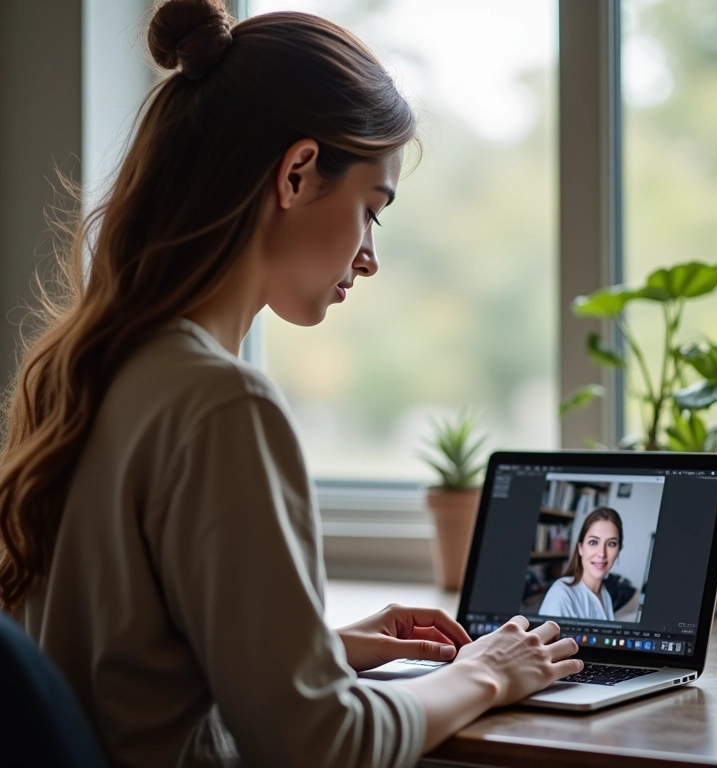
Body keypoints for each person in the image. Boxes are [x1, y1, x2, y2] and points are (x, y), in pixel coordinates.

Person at [0, 2, 582, 766]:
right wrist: (484, 674)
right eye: (371, 210)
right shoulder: (218, 403)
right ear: (298, 172)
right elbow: (320, 745)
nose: (370, 256)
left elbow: (117, 665)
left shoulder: (74, 372)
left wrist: (317, 648)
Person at [538, 507, 624, 621]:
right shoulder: (561, 594)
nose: (602, 554)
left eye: (611, 544)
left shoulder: (605, 594)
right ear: (580, 548)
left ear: (618, 551)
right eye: (593, 542)